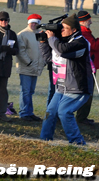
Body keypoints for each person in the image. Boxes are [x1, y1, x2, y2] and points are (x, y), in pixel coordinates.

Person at [39, 14, 93, 145]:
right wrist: (43, 43)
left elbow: (62, 51)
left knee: (64, 112)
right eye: (61, 27)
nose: (61, 30)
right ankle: (44, 142)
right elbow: (49, 59)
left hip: (77, 87)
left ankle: (78, 143)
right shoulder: (62, 41)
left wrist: (51, 39)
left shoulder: (81, 43)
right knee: (50, 113)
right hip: (61, 86)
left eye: (65, 28)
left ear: (74, 30)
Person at [16, 14, 46, 121]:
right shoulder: (22, 34)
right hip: (26, 68)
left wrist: (42, 63)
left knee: (31, 91)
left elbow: (43, 49)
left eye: (36, 23)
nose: (33, 24)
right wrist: (29, 63)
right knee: (25, 91)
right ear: (28, 22)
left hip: (36, 68)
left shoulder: (40, 34)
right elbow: (21, 51)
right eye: (32, 22)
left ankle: (29, 112)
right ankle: (24, 113)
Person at [76, 11, 97, 125]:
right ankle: (81, 117)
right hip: (88, 67)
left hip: (88, 66)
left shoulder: (84, 31)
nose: (91, 22)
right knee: (87, 92)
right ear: (83, 21)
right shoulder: (84, 32)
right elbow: (93, 45)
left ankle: (82, 116)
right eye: (89, 20)